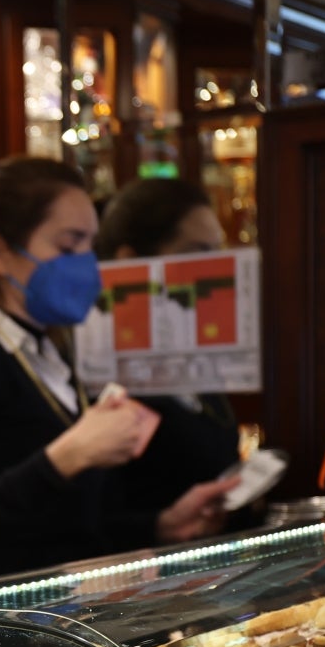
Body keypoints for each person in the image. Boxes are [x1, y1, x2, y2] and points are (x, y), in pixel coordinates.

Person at [0, 157, 238, 583]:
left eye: (89, 246)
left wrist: (162, 524)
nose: (87, 264)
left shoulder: (50, 353)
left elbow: (67, 526)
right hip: (5, 626)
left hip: (71, 615)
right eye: (68, 246)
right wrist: (67, 456)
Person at [95, 178, 245, 523]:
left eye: (217, 253)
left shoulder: (190, 354)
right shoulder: (101, 371)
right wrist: (160, 525)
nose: (215, 270)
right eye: (197, 253)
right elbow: (94, 512)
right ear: (131, 262)